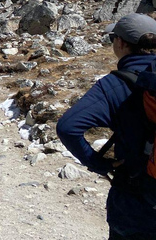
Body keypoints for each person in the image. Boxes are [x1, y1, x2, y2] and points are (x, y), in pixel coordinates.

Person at [57, 13, 156, 240]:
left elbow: (68, 127)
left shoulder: (114, 84)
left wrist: (99, 164)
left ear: (120, 43)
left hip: (136, 201)